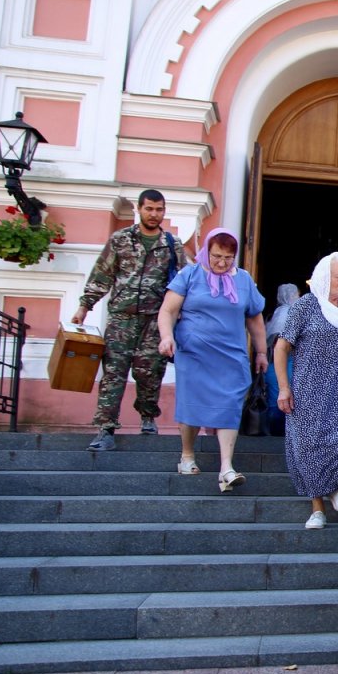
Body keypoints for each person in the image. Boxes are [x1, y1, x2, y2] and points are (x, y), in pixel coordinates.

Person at [73, 189, 186, 451]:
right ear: (139, 209)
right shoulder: (120, 239)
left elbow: (183, 283)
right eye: (149, 209)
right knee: (114, 374)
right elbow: (102, 275)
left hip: (154, 322)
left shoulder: (172, 244)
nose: (154, 214)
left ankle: (148, 418)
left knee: (149, 374)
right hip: (121, 320)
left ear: (164, 211)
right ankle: (105, 429)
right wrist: (84, 306)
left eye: (159, 210)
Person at [156, 228, 267, 493]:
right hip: (194, 355)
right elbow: (168, 310)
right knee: (193, 403)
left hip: (231, 356)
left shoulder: (243, 280)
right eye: (217, 256)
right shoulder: (190, 275)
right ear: (207, 251)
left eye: (228, 257)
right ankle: (187, 456)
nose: (221, 262)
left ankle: (226, 468)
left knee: (230, 405)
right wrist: (166, 337)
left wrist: (261, 352)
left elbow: (255, 318)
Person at [274, 254, 338, 530]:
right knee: (310, 447)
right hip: (310, 389)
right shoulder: (305, 307)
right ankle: (317, 508)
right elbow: (282, 348)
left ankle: (337, 486)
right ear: (323, 277)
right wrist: (284, 388)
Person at [264, 283, 300, 435]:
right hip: (288, 360)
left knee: (274, 393)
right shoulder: (290, 313)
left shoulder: (274, 313)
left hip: (272, 362)